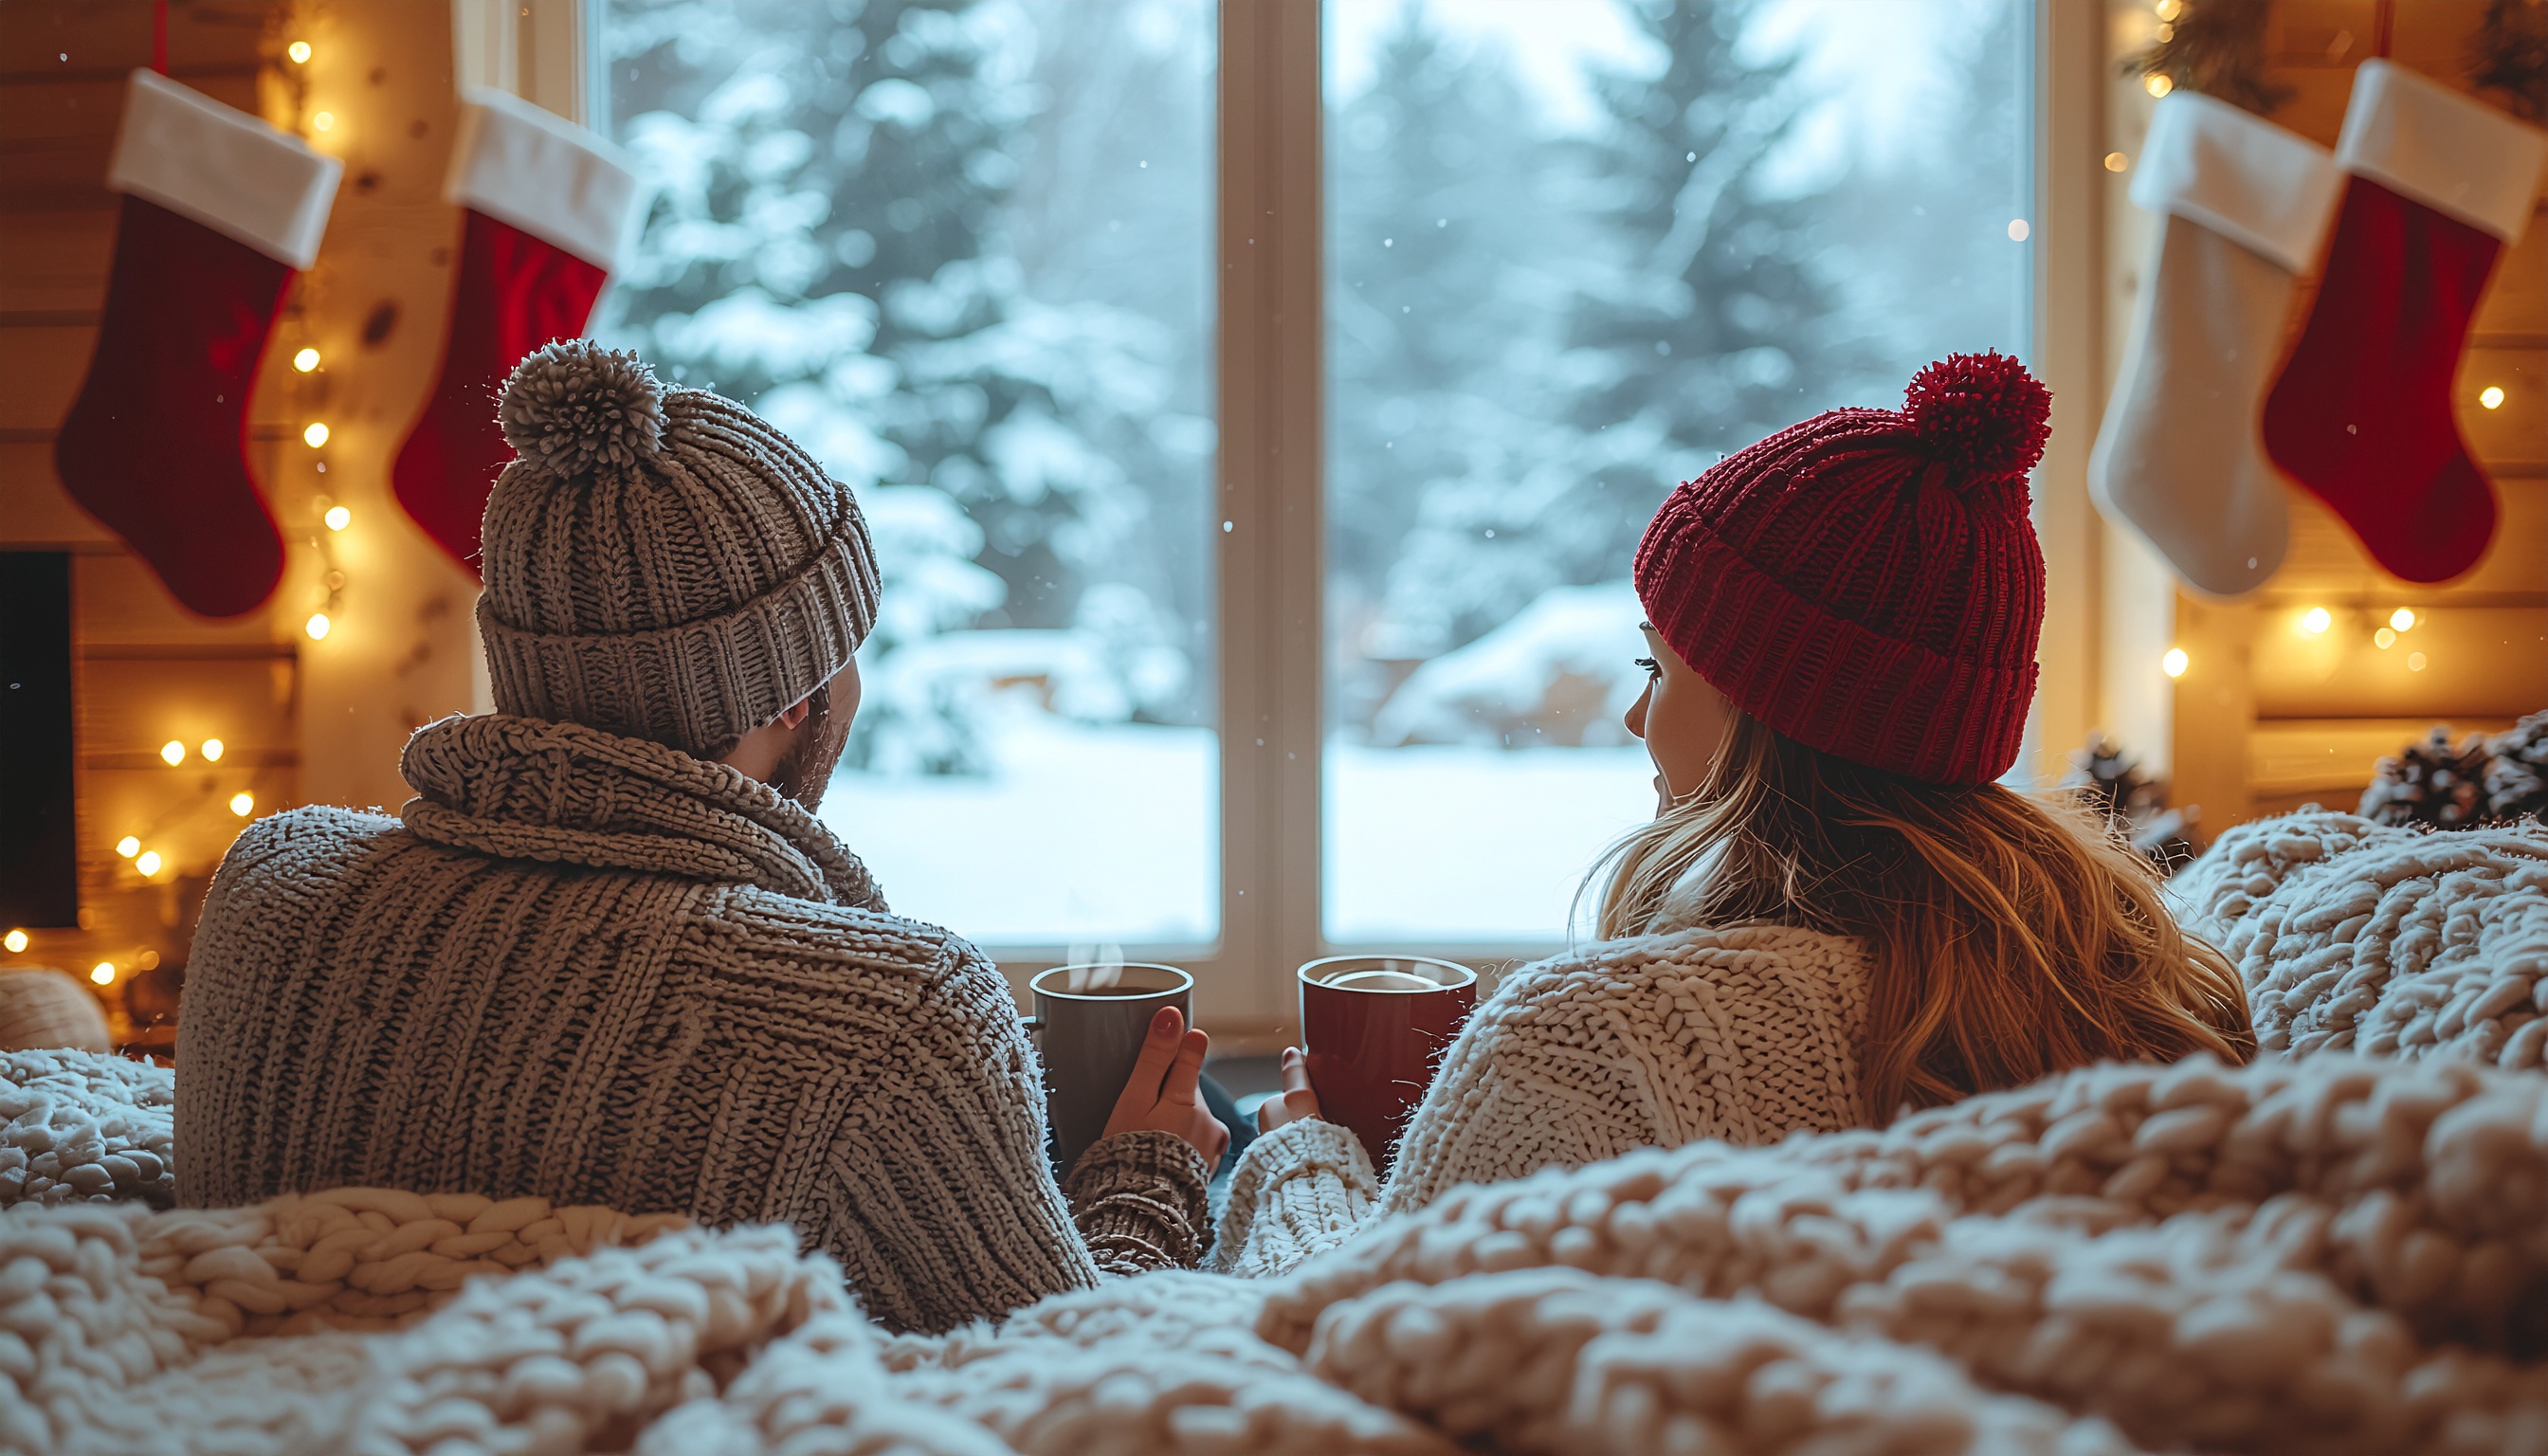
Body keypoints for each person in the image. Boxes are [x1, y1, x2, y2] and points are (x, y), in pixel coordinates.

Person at [177, 340, 1227, 1334]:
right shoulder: (894, 1023)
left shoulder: (275, 886)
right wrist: (1146, 1178)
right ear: (790, 702)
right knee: (1223, 1118)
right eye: (845, 653)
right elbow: (1071, 1369)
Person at [1212, 353, 2256, 1278]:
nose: (1633, 712)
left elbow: (1347, 1343)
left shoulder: (1595, 1041)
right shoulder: (2149, 993)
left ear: (1773, 707)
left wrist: (1296, 1158)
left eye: (1654, 668)